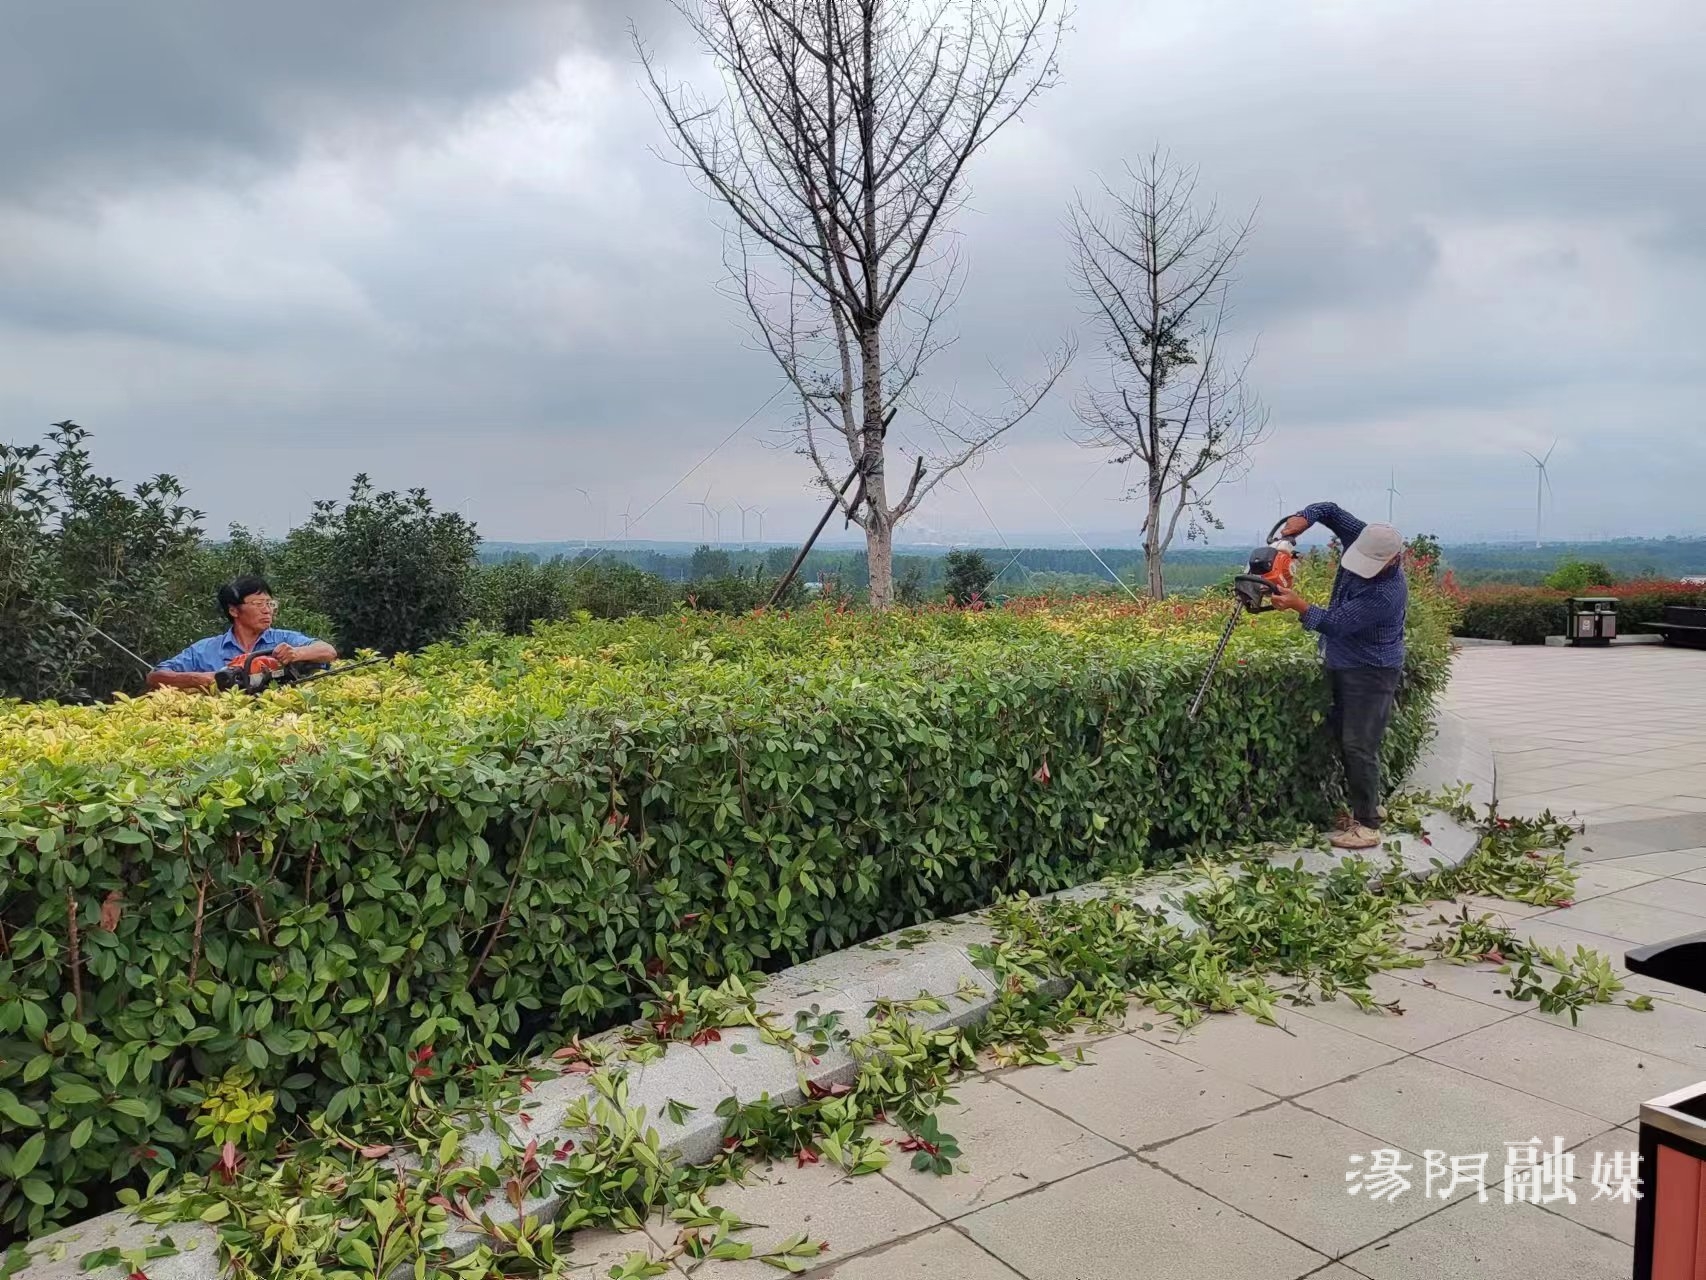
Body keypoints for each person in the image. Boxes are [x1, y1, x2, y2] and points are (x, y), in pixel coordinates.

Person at [1268, 503, 1408, 851]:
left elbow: (1337, 623)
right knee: (1347, 738)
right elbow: (1329, 510)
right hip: (1345, 662)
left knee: (1360, 745)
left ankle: (1368, 824)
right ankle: (1367, 807)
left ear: (1392, 560)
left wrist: (1298, 605)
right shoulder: (1363, 536)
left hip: (1371, 670)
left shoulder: (1386, 593)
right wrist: (1304, 518)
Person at [146, 576, 336, 692]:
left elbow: (328, 651)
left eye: (270, 604)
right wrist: (201, 679)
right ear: (234, 611)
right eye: (258, 604)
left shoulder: (283, 639)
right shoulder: (205, 650)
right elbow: (156, 677)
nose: (267, 610)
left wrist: (297, 653)